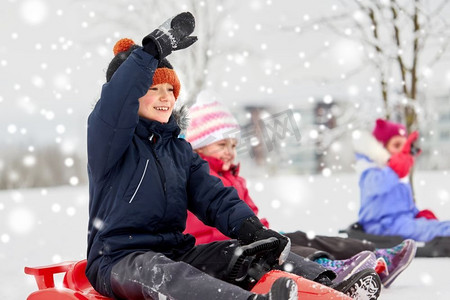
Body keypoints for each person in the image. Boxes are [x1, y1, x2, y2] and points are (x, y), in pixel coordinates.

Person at [85, 12, 361, 300]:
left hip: (177, 251)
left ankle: (332, 289)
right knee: (162, 271)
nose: (166, 97)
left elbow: (215, 198)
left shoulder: (179, 151)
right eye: (153, 89)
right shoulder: (111, 142)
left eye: (170, 89)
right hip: (118, 260)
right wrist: (149, 53)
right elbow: (115, 103)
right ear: (130, 97)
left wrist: (253, 230)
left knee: (246, 255)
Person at [184, 100, 415, 289]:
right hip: (226, 249)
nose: (230, 152)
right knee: (285, 251)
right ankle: (329, 269)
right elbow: (206, 228)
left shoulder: (233, 176)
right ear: (198, 148)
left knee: (302, 237)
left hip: (251, 238)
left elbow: (250, 215)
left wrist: (265, 231)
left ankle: (375, 257)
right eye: (222, 145)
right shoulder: (200, 180)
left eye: (233, 146)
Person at [353, 118, 450, 244]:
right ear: (381, 147)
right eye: (396, 145)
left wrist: (417, 215)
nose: (401, 151)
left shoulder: (398, 172)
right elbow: (378, 185)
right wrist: (396, 168)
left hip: (401, 222)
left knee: (430, 226)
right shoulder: (370, 170)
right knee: (432, 230)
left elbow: (404, 205)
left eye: (404, 147)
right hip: (381, 226)